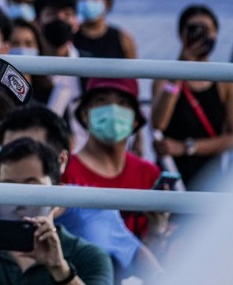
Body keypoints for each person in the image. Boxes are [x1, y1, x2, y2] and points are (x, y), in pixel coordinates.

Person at [0, 137, 114, 285]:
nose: (19, 202)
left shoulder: (88, 255)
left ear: (58, 196)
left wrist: (59, 268)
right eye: (7, 188)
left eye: (31, 188)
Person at [150, 5, 233, 188]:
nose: (200, 35)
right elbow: (159, 123)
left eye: (206, 30)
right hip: (172, 171)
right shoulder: (165, 78)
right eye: (193, 29)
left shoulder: (225, 81)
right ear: (181, 34)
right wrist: (180, 69)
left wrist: (187, 148)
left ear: (216, 34)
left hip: (211, 174)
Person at [63, 78, 161, 240]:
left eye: (122, 103)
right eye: (101, 101)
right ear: (84, 113)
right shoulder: (65, 171)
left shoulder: (148, 174)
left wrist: (157, 230)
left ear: (135, 120)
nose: (113, 110)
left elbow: (152, 252)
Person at [72, 0, 137, 60]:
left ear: (107, 3)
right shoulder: (70, 37)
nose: (88, 1)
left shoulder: (122, 40)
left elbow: (132, 71)